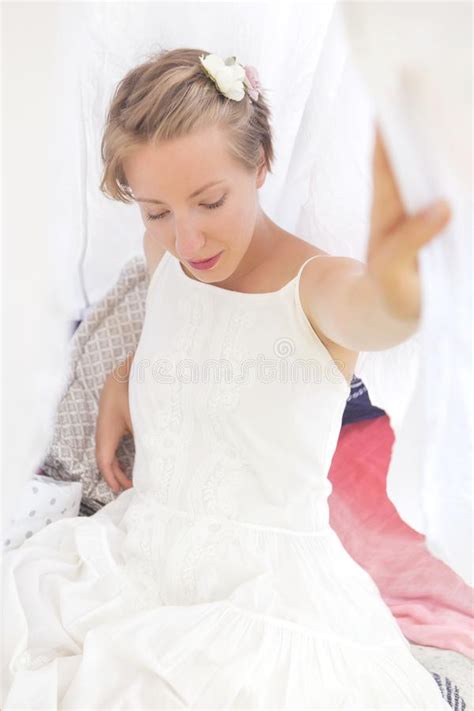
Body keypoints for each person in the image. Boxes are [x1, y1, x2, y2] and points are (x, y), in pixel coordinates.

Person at [2, 47, 452, 709]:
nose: (187, 239)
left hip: (262, 596)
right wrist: (123, 382)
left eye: (210, 201)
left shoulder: (318, 287)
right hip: (138, 552)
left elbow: (377, 315)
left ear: (261, 163)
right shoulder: (167, 257)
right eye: (156, 210)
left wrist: (398, 287)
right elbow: (185, 343)